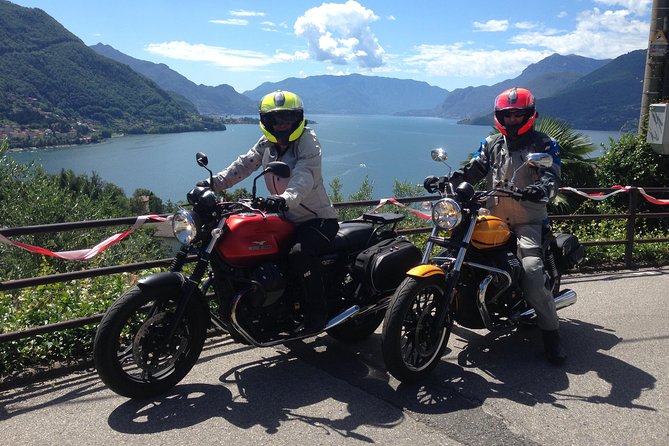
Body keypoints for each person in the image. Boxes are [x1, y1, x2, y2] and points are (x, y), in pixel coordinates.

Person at [427, 87, 567, 365]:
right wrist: (447, 180)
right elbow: (474, 169)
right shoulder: (492, 143)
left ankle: (552, 336)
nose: (512, 119)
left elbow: (552, 176)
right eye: (507, 114)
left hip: (528, 219)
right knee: (456, 250)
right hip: (493, 218)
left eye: (518, 114)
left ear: (530, 115)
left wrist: (540, 189)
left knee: (532, 272)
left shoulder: (544, 144)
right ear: (499, 116)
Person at [201, 90, 339, 334]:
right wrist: (212, 184)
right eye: (276, 119)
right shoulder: (267, 144)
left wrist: (285, 199)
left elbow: (305, 175)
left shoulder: (307, 142)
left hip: (316, 220)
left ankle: (317, 315)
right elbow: (244, 164)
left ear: (298, 119)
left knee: (299, 255)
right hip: (284, 219)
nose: (282, 124)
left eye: (287, 118)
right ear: (267, 122)